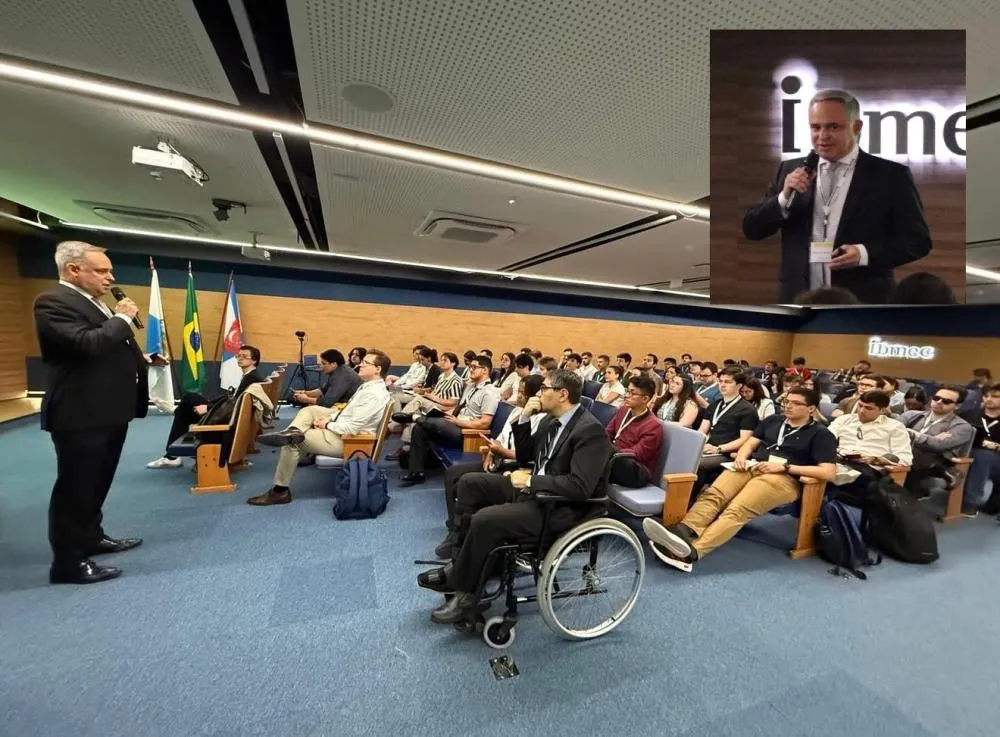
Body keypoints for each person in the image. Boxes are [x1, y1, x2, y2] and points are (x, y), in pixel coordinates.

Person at [416, 370, 613, 623]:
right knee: (470, 483)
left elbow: (580, 487)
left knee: (485, 519)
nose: (539, 393)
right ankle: (460, 562)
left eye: (544, 388)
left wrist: (531, 480)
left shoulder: (590, 431)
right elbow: (525, 457)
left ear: (563, 394)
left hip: (560, 506)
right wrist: (524, 419)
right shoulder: (550, 420)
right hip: (536, 491)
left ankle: (467, 595)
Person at [34, 241, 157, 584]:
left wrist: (142, 360)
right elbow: (88, 344)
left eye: (109, 270)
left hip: (108, 409)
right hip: (80, 412)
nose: (110, 277)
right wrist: (122, 318)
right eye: (101, 271)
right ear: (73, 270)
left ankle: (90, 536)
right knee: (75, 489)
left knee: (97, 482)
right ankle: (68, 563)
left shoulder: (93, 302)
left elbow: (107, 347)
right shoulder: (53, 302)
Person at [742, 89, 931, 304]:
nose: (823, 136)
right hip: (798, 301)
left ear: (856, 127)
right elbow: (752, 228)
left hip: (862, 303)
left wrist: (864, 254)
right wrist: (783, 198)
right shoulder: (790, 170)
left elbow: (917, 241)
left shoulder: (890, 175)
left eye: (833, 127)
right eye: (816, 127)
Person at [643, 387, 837, 572]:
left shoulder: (821, 434)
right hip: (753, 466)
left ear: (811, 408)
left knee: (737, 509)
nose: (788, 405)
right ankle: (684, 531)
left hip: (784, 478)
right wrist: (742, 457)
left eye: (795, 403)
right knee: (714, 494)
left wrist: (785, 467)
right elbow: (750, 444)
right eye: (786, 401)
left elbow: (828, 472)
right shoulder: (773, 421)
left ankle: (693, 552)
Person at [247, 350, 392, 505]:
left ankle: (280, 492)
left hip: (351, 441)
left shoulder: (373, 394)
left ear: (378, 369)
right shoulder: (367, 387)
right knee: (310, 411)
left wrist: (327, 424)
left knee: (293, 443)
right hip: (343, 430)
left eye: (366, 363)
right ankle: (292, 431)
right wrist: (329, 417)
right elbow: (347, 412)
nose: (360, 365)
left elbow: (352, 428)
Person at [146, 344, 264, 469]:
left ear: (254, 360)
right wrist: (209, 403)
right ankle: (177, 416)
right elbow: (232, 399)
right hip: (229, 416)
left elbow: (235, 404)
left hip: (226, 422)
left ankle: (171, 456)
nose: (240, 358)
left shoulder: (252, 378)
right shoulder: (251, 376)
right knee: (188, 401)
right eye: (238, 356)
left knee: (186, 405)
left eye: (244, 356)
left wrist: (208, 408)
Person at [290, 348, 362, 408]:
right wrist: (304, 393)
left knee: (310, 410)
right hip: (348, 405)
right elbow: (323, 391)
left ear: (333, 364)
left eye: (324, 363)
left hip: (352, 408)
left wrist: (306, 399)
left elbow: (326, 403)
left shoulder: (341, 376)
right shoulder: (339, 371)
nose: (321, 366)